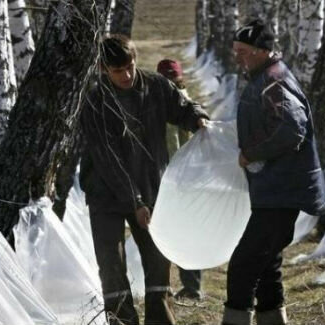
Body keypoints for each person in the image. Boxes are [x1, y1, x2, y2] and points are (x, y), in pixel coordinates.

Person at [78, 35, 209, 325]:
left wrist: (197, 117)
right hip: (105, 193)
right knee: (111, 266)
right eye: (117, 71)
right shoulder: (96, 102)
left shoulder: (156, 86)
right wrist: (134, 201)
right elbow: (109, 159)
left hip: (151, 187)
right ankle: (122, 322)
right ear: (103, 68)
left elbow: (182, 107)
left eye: (129, 67)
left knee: (158, 261)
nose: (126, 75)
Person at [222, 20, 325, 325]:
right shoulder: (264, 77)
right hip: (275, 190)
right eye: (236, 51)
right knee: (267, 266)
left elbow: (292, 129)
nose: (237, 57)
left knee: (243, 265)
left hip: (282, 192)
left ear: (261, 51)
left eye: (242, 51)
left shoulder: (273, 81)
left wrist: (250, 153)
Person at [156, 59, 205, 301]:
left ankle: (192, 288)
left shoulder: (184, 105)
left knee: (184, 232)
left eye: (172, 80)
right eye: (166, 80)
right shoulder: (156, 103)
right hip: (170, 177)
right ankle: (171, 285)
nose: (169, 85)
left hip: (182, 178)